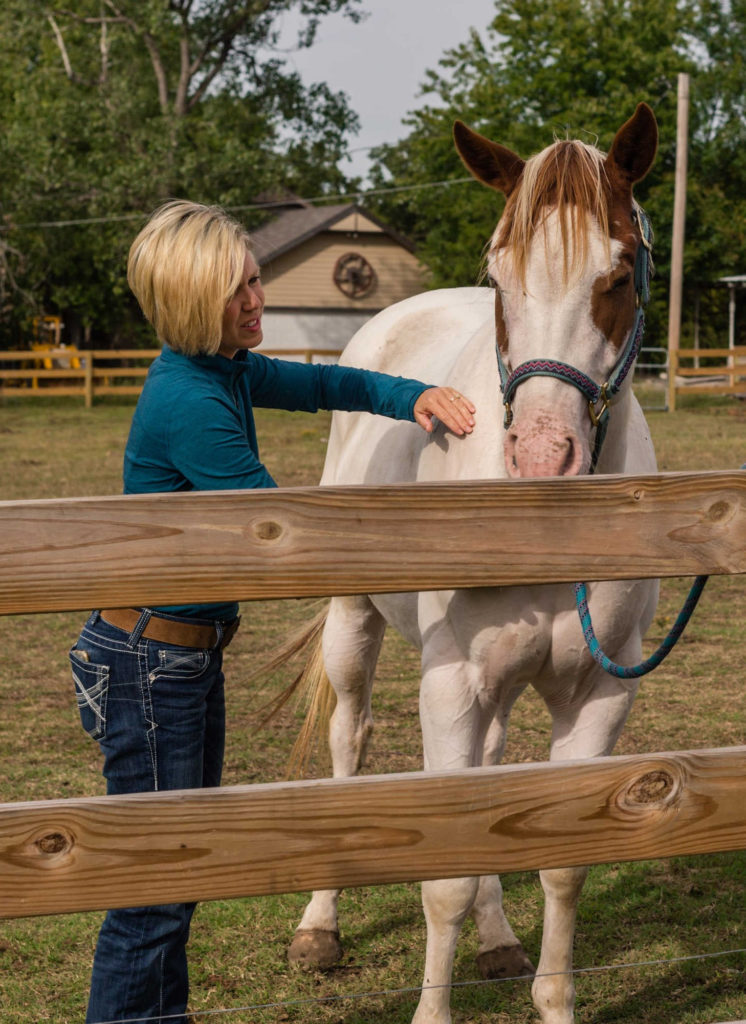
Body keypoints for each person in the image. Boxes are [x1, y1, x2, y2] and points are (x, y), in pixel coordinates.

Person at [69, 199, 476, 1024]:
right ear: (192, 303)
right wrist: (438, 549)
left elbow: (327, 380)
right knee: (154, 892)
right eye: (237, 290)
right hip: (153, 665)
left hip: (178, 654)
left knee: (173, 880)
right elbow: (285, 529)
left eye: (255, 279)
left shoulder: (220, 367)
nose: (255, 299)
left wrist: (416, 395)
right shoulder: (190, 402)